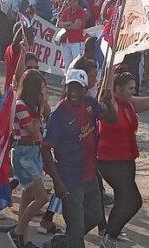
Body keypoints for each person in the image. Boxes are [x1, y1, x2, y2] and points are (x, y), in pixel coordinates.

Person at [41, 69, 118, 248]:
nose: (74, 93)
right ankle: (70, 241)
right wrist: (58, 182)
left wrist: (108, 103)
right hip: (70, 179)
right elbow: (45, 149)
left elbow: (111, 120)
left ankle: (60, 243)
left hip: (90, 174)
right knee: (76, 231)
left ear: (86, 89)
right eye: (70, 88)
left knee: (95, 215)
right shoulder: (58, 115)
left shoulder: (90, 102)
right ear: (66, 87)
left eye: (78, 88)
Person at [97, 67, 149, 248]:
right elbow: (106, 92)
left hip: (127, 158)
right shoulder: (109, 103)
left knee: (124, 199)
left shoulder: (130, 103)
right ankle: (109, 236)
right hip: (110, 160)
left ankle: (109, 234)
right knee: (133, 200)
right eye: (130, 88)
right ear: (118, 89)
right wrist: (108, 72)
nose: (133, 91)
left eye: (134, 87)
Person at [8, 70, 49, 248]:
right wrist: (40, 110)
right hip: (24, 153)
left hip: (33, 152)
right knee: (42, 198)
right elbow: (33, 129)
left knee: (27, 197)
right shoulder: (21, 105)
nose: (43, 95)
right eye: (40, 91)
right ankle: (18, 230)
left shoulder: (29, 107)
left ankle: (23, 240)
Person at [57, 0, 87, 73]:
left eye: (70, 0)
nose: (68, 2)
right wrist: (69, 23)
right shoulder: (67, 11)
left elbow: (76, 26)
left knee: (77, 64)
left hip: (76, 41)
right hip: (65, 40)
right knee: (67, 65)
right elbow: (59, 23)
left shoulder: (81, 12)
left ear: (77, 1)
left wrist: (65, 24)